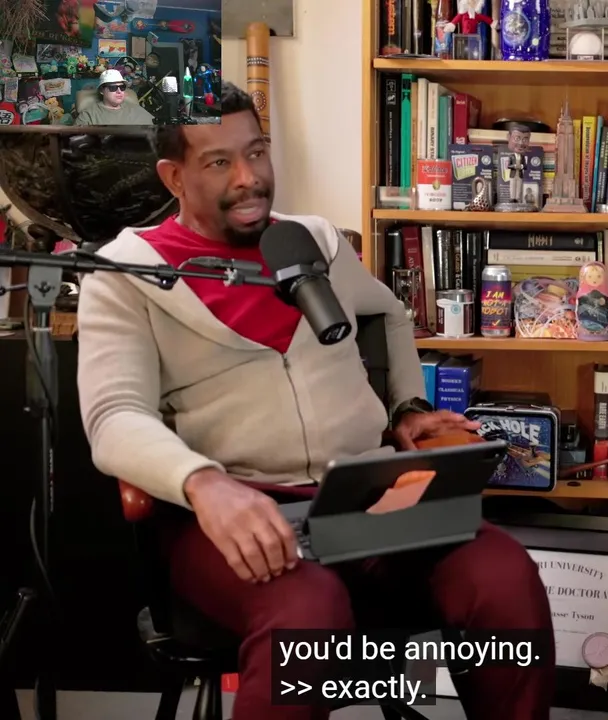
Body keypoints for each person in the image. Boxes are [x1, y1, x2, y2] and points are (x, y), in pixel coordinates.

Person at [75, 83, 555, 720]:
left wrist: (407, 407)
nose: (249, 178)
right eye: (219, 162)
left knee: (504, 577)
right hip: (235, 517)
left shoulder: (315, 244)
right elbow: (114, 418)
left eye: (257, 152)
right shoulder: (126, 273)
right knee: (305, 615)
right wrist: (202, 483)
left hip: (366, 499)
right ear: (174, 177)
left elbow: (389, 313)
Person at [74, 68, 154, 126]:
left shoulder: (137, 111)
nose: (119, 91)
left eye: (122, 87)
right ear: (102, 90)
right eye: (113, 87)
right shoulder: (89, 116)